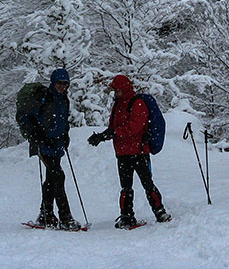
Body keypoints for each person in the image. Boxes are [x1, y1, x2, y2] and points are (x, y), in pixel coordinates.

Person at [88, 74, 171, 228]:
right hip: (122, 153)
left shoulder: (137, 103)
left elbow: (135, 127)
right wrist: (102, 136)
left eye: (117, 90)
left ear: (124, 89)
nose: (115, 93)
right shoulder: (118, 105)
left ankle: (160, 212)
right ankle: (127, 216)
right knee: (126, 187)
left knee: (147, 183)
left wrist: (113, 133)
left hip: (139, 151)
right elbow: (114, 127)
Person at [24, 68, 80, 230]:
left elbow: (63, 119)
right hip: (44, 144)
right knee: (58, 176)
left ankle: (45, 214)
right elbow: (29, 118)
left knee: (51, 179)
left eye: (65, 84)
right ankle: (65, 218)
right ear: (53, 82)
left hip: (56, 144)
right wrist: (37, 134)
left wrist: (65, 134)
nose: (62, 87)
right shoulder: (44, 98)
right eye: (59, 83)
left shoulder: (64, 99)